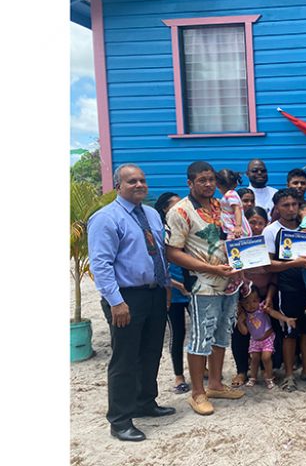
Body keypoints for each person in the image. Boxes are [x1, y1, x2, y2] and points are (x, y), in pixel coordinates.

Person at [88, 164, 174, 441]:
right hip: (126, 298)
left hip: (155, 292)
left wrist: (167, 285)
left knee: (150, 352)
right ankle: (120, 419)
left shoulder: (151, 214)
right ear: (118, 186)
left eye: (142, 180)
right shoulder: (106, 218)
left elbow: (159, 253)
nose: (139, 185)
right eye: (131, 181)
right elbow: (100, 264)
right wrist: (115, 302)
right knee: (125, 359)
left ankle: (145, 402)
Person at [165, 161, 244, 416]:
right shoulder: (180, 212)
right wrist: (210, 269)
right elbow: (172, 252)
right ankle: (197, 393)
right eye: (202, 180)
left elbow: (225, 237)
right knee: (201, 337)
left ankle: (216, 384)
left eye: (211, 179)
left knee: (223, 333)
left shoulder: (219, 205)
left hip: (229, 281)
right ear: (190, 183)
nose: (208, 184)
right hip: (203, 285)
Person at [262, 188, 306, 392]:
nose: (291, 209)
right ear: (277, 207)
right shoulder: (271, 231)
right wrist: (293, 264)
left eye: (294, 204)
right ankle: (288, 375)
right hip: (287, 287)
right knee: (289, 331)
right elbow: (267, 264)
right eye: (286, 205)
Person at [229, 206, 274, 388]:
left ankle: (266, 370)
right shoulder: (236, 244)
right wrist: (238, 301)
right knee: (240, 333)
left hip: (264, 297)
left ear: (266, 224)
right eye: (252, 222)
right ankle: (241, 371)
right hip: (241, 297)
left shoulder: (268, 244)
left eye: (260, 223)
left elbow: (274, 276)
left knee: (265, 333)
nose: (256, 227)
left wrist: (269, 297)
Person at [154, 192, 192, 394]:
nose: (181, 209)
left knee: (201, 331)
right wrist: (178, 286)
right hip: (174, 293)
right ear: (164, 209)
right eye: (175, 206)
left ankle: (200, 368)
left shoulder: (188, 229)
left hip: (193, 290)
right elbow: (160, 268)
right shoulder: (160, 234)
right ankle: (179, 376)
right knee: (178, 334)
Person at [236, 284, 295, 389]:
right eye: (247, 303)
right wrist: (240, 322)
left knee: (266, 357)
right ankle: (253, 378)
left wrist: (286, 319)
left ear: (259, 299)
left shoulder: (262, 308)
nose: (251, 305)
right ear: (242, 304)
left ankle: (269, 378)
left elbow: (273, 313)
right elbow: (244, 332)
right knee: (254, 359)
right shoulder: (244, 315)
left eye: (254, 301)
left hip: (267, 338)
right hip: (254, 340)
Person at [217, 169, 252, 295]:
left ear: (218, 185)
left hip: (235, 230)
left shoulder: (230, 194)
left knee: (230, 253)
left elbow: (237, 210)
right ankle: (243, 279)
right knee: (237, 255)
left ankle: (236, 279)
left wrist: (237, 226)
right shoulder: (231, 194)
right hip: (234, 229)